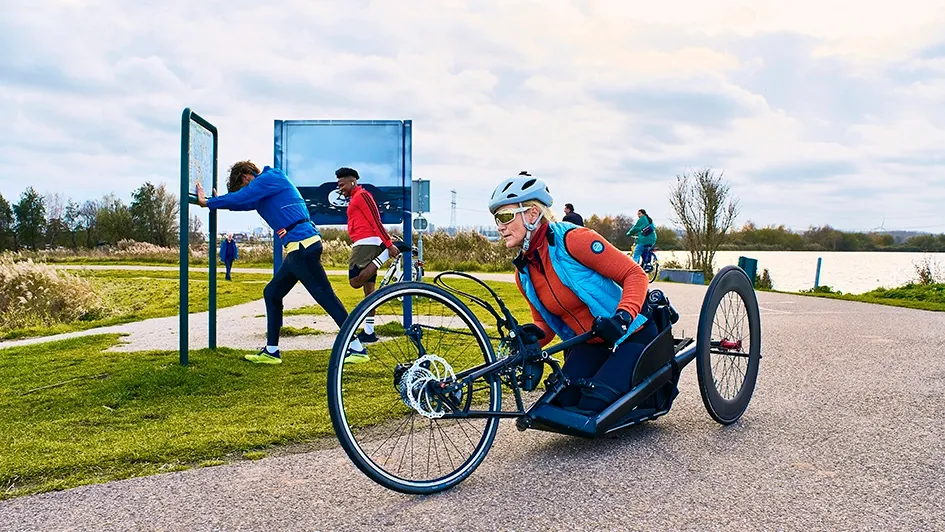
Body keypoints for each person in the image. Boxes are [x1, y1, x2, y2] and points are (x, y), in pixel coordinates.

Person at [488, 171, 657, 414]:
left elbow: (635, 274)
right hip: (590, 343)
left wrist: (623, 317)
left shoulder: (573, 240)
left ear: (533, 214)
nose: (500, 227)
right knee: (559, 405)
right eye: (496, 219)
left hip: (631, 332)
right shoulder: (524, 272)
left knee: (594, 405)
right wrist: (530, 339)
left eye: (505, 216)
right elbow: (543, 322)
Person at [195, 161, 368, 365]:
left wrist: (207, 202)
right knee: (272, 293)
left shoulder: (269, 178)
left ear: (245, 176)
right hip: (301, 247)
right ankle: (272, 351)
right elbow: (240, 202)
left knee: (325, 297)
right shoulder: (265, 190)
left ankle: (356, 347)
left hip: (302, 247)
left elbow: (242, 196)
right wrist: (217, 200)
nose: (246, 190)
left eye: (243, 186)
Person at [335, 167, 401, 343]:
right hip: (365, 242)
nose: (340, 188)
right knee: (369, 291)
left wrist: (388, 244)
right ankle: (369, 331)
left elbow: (375, 220)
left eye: (342, 184)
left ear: (353, 182)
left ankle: (384, 256)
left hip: (367, 243)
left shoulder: (363, 196)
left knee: (355, 281)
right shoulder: (355, 198)